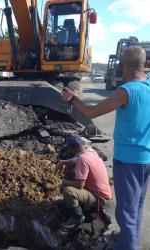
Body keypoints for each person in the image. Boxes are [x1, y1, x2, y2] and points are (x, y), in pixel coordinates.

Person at [61, 46, 150, 250]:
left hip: (128, 160)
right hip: (145, 159)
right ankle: (129, 239)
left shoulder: (126, 91)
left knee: (125, 211)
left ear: (120, 66)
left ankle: (129, 246)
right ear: (145, 64)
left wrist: (72, 98)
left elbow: (91, 112)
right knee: (135, 206)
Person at [55, 134, 113, 230]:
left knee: (68, 191)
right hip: (105, 192)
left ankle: (77, 217)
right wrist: (62, 162)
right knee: (71, 169)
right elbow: (74, 160)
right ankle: (76, 203)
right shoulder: (90, 151)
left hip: (100, 198)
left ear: (71, 149)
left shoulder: (82, 160)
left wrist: (64, 181)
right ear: (83, 143)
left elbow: (79, 185)